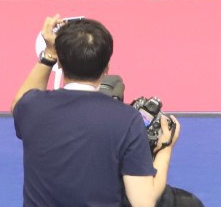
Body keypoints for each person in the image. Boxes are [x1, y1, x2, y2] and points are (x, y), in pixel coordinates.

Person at [12, 16, 187, 207]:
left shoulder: (31, 107)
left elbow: (20, 101)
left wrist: (49, 54)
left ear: (59, 63)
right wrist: (165, 149)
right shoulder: (127, 119)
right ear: (106, 68)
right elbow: (143, 202)